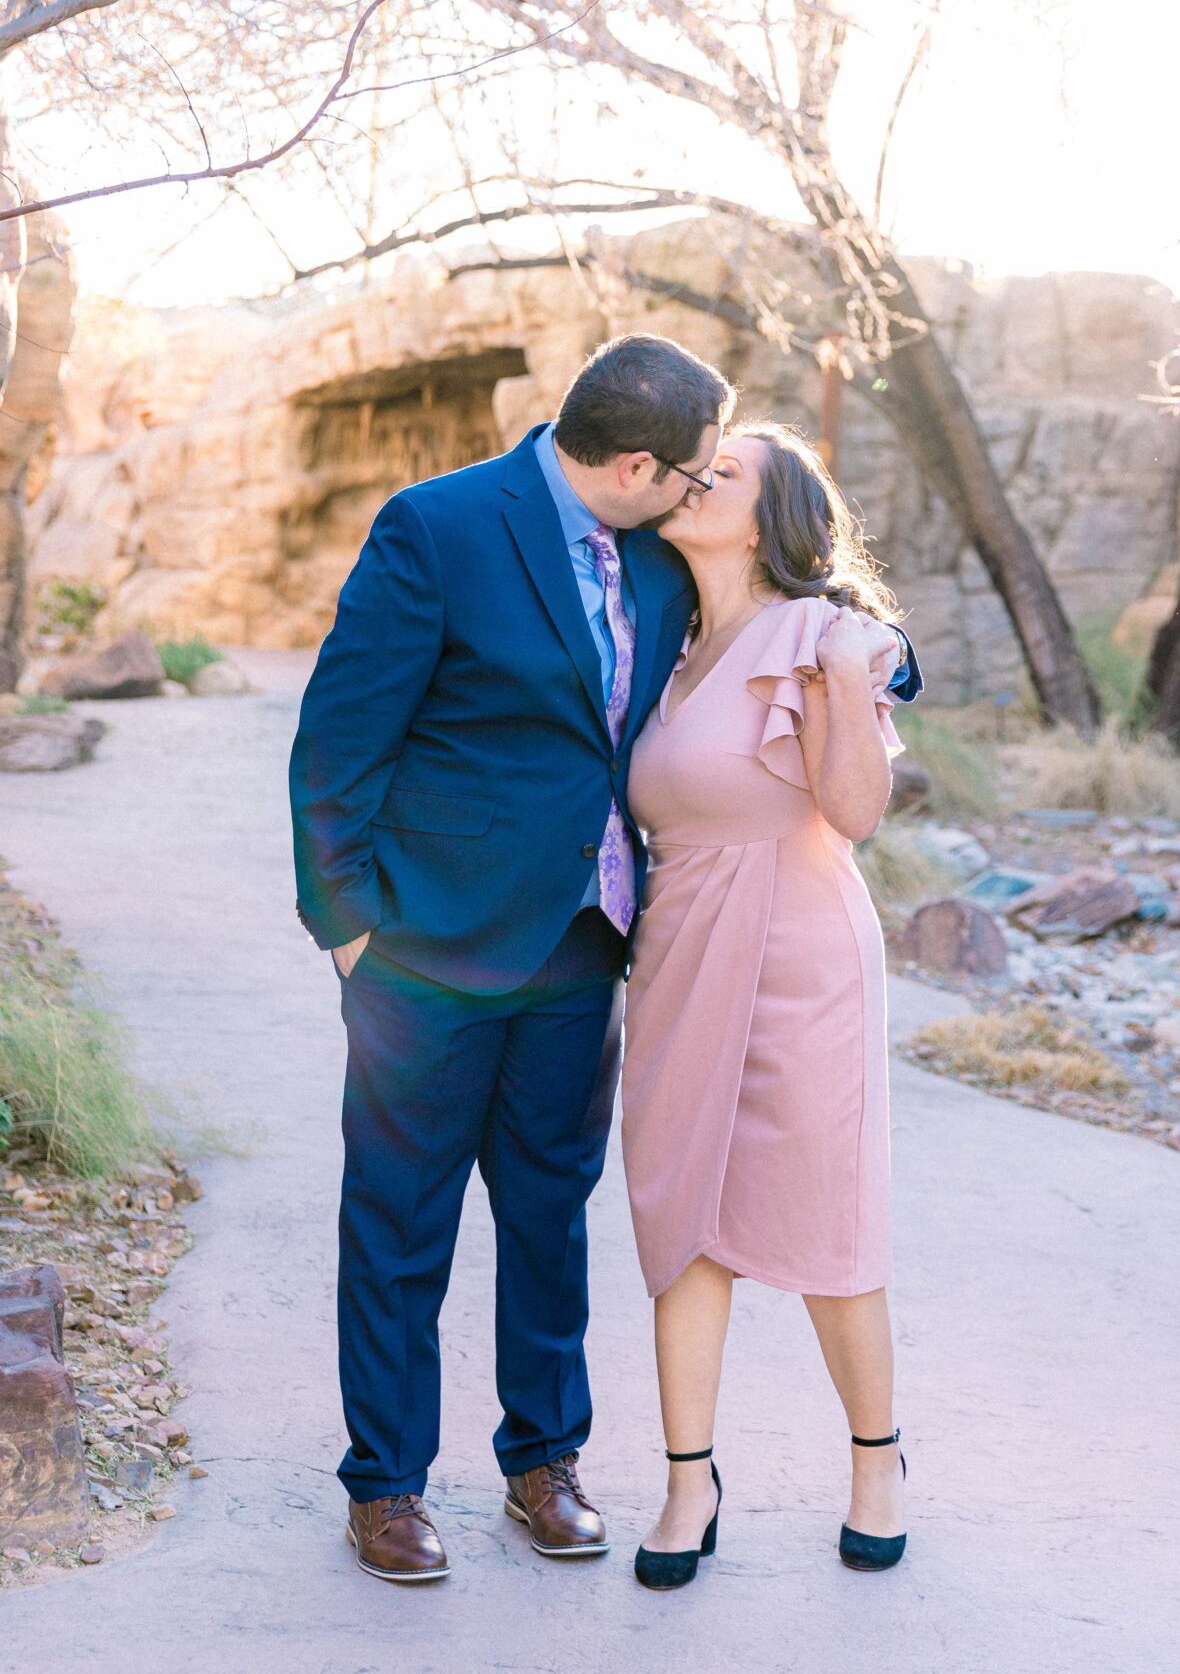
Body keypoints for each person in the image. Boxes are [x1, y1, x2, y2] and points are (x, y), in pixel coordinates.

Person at [288, 335, 917, 1583]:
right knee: (400, 1222)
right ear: (638, 463)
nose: (698, 493)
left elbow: (813, 617)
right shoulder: (438, 527)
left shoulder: (657, 555)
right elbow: (338, 741)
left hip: (589, 948)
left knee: (548, 1217)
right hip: (425, 950)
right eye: (690, 473)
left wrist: (888, 655)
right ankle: (389, 1486)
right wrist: (348, 928)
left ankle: (543, 1462)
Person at [621, 422, 919, 1589]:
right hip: (681, 948)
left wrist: (852, 672)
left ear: (769, 513)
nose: (697, 482)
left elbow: (854, 812)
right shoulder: (674, 642)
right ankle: (689, 1479)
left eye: (724, 473)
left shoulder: (820, 633)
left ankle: (877, 1460)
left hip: (803, 954)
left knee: (828, 1218)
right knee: (680, 1211)